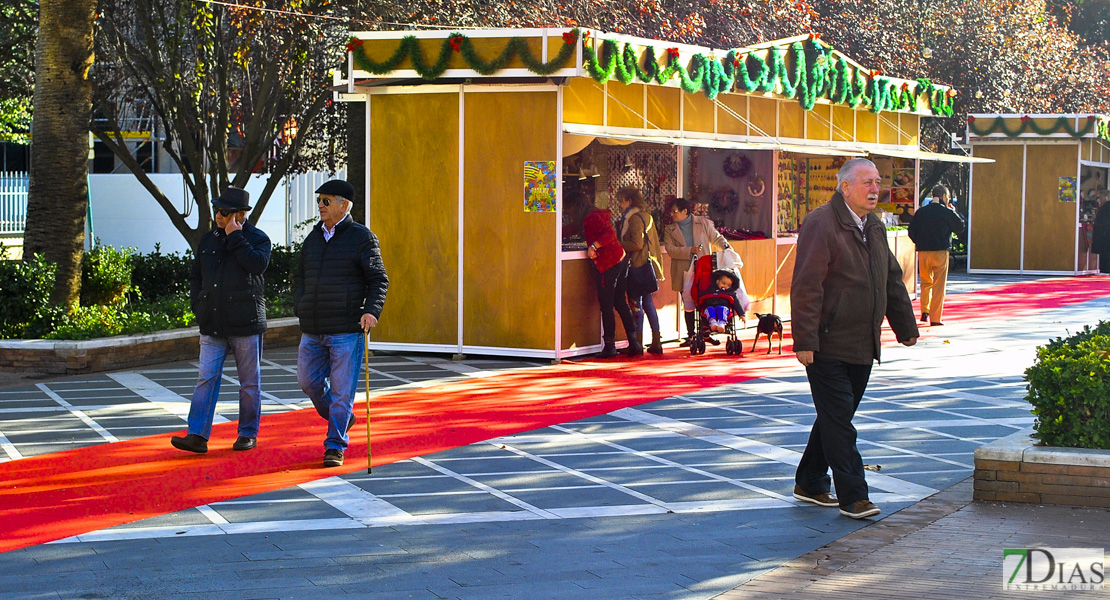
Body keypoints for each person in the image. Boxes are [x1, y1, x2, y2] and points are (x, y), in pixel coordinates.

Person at [791, 158, 919, 520]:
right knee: (840, 422)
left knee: (836, 417)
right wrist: (805, 340)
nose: (875, 189)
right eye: (867, 182)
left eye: (877, 182)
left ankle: (810, 481)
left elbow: (891, 279)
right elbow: (807, 285)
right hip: (827, 343)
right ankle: (854, 495)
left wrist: (905, 327)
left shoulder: (874, 226)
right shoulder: (822, 223)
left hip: (863, 343)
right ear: (845, 187)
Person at [295, 179, 389, 468]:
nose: (320, 206)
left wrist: (371, 311)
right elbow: (299, 277)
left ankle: (335, 445)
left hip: (347, 329)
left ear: (343, 205)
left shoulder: (362, 237)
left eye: (326, 200)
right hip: (312, 327)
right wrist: (300, 305)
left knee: (341, 391)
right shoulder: (313, 238)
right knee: (308, 381)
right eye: (319, 201)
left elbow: (378, 279)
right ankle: (345, 420)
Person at [171, 186, 271, 454]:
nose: (218, 215)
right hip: (212, 323)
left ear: (240, 214)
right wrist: (198, 304)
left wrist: (236, 237)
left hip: (246, 324)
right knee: (206, 378)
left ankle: (247, 433)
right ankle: (197, 435)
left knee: (249, 382)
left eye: (224, 211)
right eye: (217, 209)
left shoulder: (258, 239)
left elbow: (257, 265)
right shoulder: (209, 240)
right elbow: (196, 275)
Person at [577, 190, 639, 358]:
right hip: (619, 259)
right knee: (620, 302)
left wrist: (594, 246)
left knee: (606, 304)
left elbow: (609, 235)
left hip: (608, 264)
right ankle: (634, 343)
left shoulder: (591, 218)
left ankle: (610, 346)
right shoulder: (596, 215)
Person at [663, 197, 730, 346]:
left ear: (684, 211)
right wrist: (689, 250)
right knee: (688, 303)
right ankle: (691, 335)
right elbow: (670, 250)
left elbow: (716, 238)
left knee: (705, 299)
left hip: (703, 268)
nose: (672, 215)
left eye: (675, 211)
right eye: (671, 212)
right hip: (683, 270)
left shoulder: (703, 223)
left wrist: (727, 248)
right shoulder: (669, 229)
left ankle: (705, 332)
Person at [907, 184, 966, 326]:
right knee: (939, 284)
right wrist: (954, 212)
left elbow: (911, 231)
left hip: (923, 252)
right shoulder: (946, 212)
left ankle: (924, 310)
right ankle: (935, 318)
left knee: (926, 282)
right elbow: (960, 227)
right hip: (940, 251)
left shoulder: (921, 212)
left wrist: (920, 242)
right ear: (944, 197)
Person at [615, 187, 664, 355]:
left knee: (636, 305)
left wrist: (617, 244)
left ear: (629, 201)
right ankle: (656, 341)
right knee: (648, 304)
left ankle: (637, 343)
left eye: (621, 201)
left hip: (637, 265)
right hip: (647, 265)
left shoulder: (634, 219)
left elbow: (636, 244)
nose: (619, 205)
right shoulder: (646, 216)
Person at [1091, 191, 1110, 274]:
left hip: (1105, 234)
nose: (1099, 200)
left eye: (1100, 197)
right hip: (1106, 234)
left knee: (1105, 253)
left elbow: (1101, 221)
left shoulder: (1106, 206)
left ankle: (1105, 270)